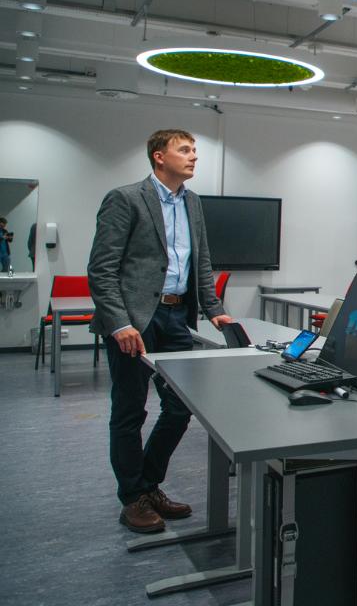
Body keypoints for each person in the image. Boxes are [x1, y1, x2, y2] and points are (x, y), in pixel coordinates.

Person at [87, 129, 233, 534]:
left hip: (176, 317)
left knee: (181, 406)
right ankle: (132, 498)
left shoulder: (193, 202)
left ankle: (148, 484)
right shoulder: (126, 198)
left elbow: (200, 262)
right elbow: (102, 269)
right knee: (131, 410)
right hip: (134, 322)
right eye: (184, 150)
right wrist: (118, 322)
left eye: (194, 151)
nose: (193, 157)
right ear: (158, 157)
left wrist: (215, 310)